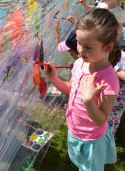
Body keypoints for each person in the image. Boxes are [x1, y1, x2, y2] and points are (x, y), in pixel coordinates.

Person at [45, 9, 120, 170]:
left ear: (107, 47)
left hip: (91, 138)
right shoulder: (80, 63)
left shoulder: (108, 80)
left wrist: (88, 100)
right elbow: (70, 89)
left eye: (88, 46)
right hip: (75, 130)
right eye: (79, 43)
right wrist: (54, 79)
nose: (80, 50)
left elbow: (101, 119)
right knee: (81, 164)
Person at [58, 26, 125, 137]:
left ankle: (108, 135)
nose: (71, 55)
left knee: (107, 112)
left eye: (71, 53)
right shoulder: (98, 55)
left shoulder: (108, 64)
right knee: (113, 111)